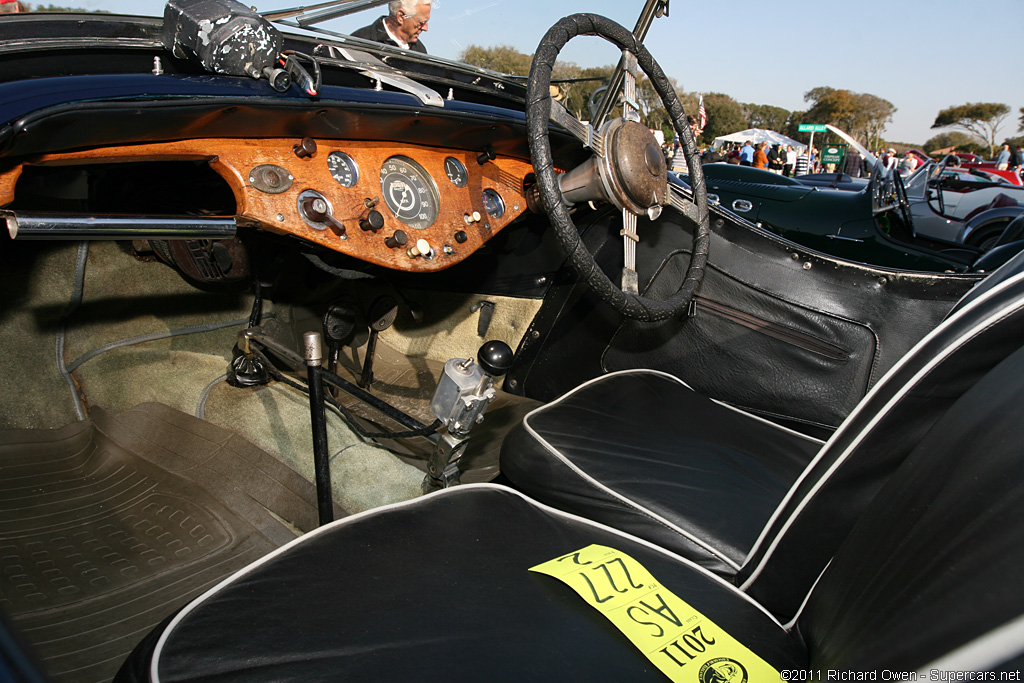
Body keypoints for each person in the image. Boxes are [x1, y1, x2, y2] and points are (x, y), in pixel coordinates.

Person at [352, 0, 431, 53]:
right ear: (401, 16)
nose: (425, 28)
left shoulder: (419, 50)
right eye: (421, 22)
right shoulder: (359, 42)